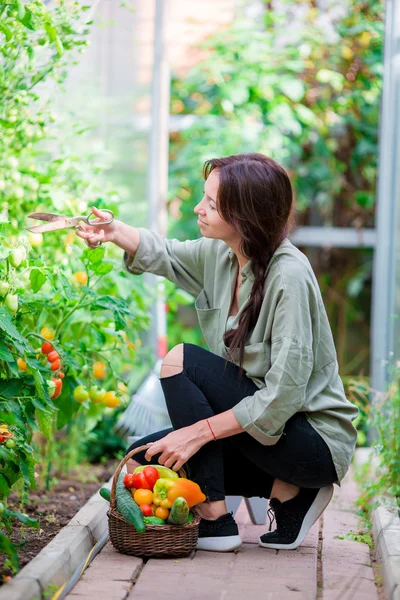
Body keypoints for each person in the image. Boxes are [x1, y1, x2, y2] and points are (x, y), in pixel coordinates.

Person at [76, 153, 358, 553]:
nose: (198, 208)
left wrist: (197, 433)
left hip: (312, 442)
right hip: (266, 438)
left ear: (245, 215)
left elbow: (283, 398)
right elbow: (166, 253)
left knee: (180, 361)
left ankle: (215, 517)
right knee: (148, 459)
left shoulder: (289, 276)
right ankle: (290, 493)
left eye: (211, 202)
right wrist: (112, 230)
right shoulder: (222, 255)